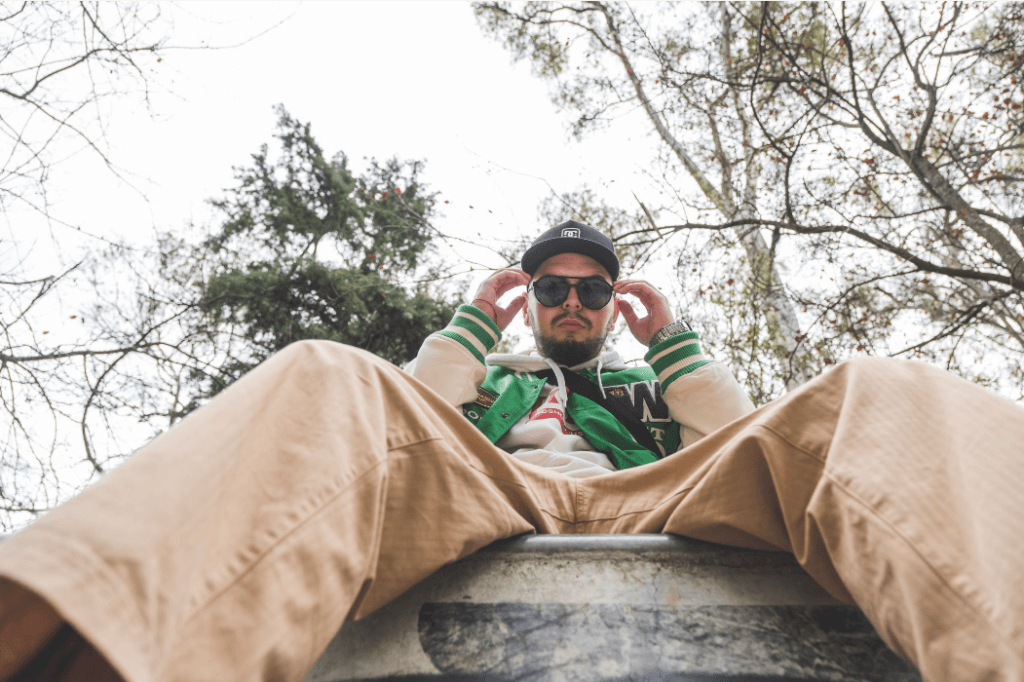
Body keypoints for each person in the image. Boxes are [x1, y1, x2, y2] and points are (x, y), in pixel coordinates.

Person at [0, 221, 1022, 682]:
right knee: (324, 375)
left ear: (611, 306)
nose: (572, 301)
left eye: (592, 290)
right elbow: (402, 419)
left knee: (887, 391)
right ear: (530, 301)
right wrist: (471, 330)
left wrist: (671, 345)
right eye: (553, 289)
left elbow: (750, 448)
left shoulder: (648, 385)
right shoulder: (489, 378)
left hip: (652, 495)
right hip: (488, 488)